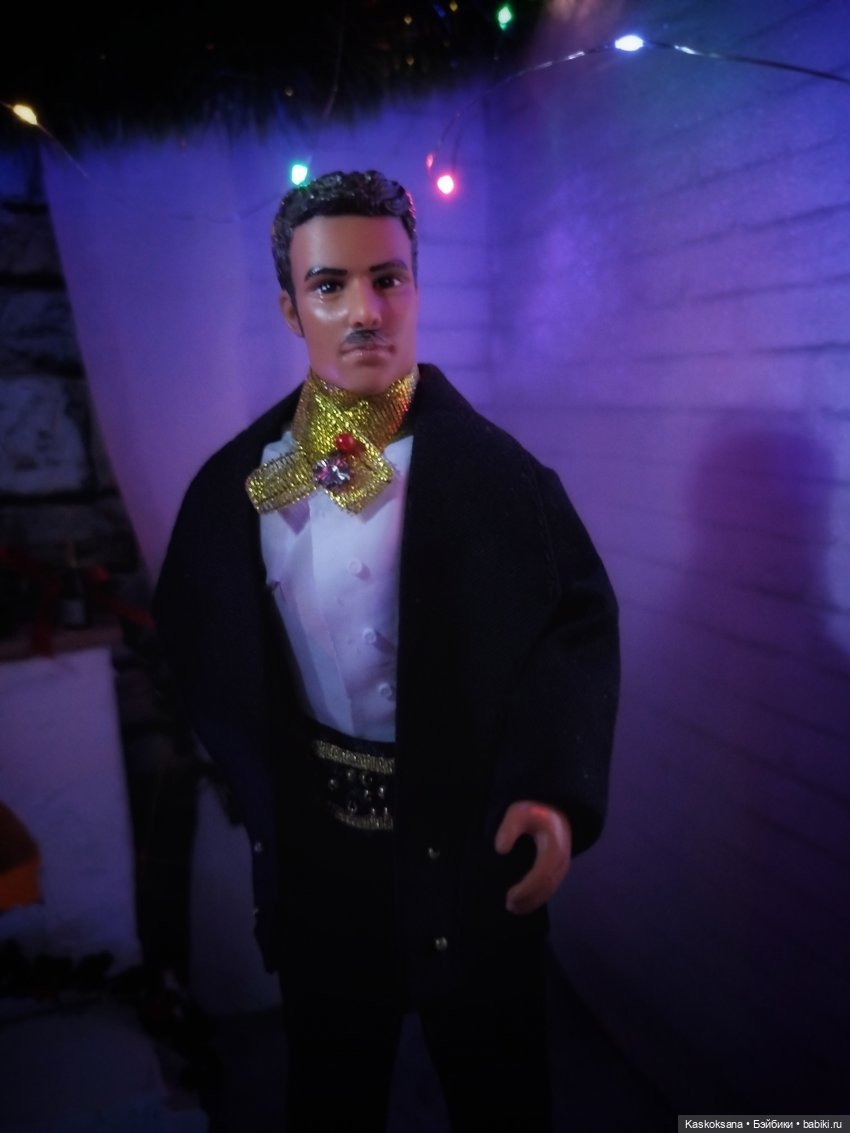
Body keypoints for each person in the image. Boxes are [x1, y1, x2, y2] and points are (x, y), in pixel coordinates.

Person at [153, 169, 620, 1132]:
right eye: (329, 286)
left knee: (498, 1085)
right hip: (321, 859)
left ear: (415, 287)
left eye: (388, 279)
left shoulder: (500, 479)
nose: (365, 310)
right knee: (331, 1086)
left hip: (468, 844)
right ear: (291, 309)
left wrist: (548, 785)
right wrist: (256, 780)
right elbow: (202, 631)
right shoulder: (245, 485)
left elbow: (572, 628)